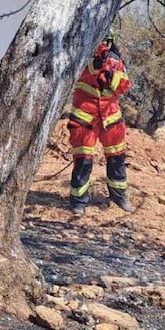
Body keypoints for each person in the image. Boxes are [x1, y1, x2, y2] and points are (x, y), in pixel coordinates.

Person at [67, 33, 131, 216]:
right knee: (83, 160)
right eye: (101, 41)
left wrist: (111, 76)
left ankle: (119, 197)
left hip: (111, 117)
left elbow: (124, 86)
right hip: (84, 117)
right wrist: (94, 66)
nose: (103, 45)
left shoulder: (115, 60)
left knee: (117, 158)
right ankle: (78, 201)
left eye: (106, 42)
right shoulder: (80, 55)